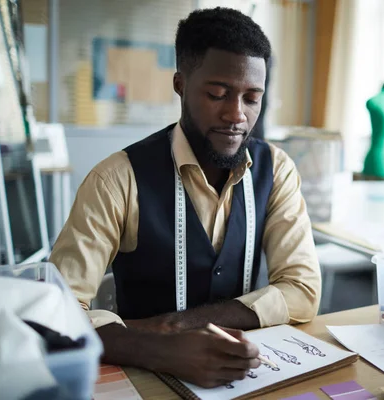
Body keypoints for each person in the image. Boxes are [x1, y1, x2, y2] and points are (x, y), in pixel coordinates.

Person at [49, 8, 321, 389]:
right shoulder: (116, 178)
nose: (236, 115)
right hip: (141, 377)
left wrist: (174, 325)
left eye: (251, 98)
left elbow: (303, 291)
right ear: (180, 84)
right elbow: (55, 312)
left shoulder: (276, 170)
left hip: (243, 375)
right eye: (217, 94)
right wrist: (161, 349)